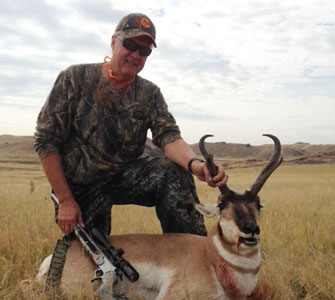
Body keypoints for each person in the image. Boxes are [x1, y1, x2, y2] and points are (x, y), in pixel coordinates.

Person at [34, 13, 228, 237]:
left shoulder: (149, 93)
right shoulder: (74, 79)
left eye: (144, 51)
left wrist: (196, 165)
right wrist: (66, 200)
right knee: (96, 259)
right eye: (131, 45)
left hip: (124, 178)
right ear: (114, 42)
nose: (136, 55)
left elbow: (169, 136)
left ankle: (193, 254)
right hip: (81, 186)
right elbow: (46, 140)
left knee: (174, 172)